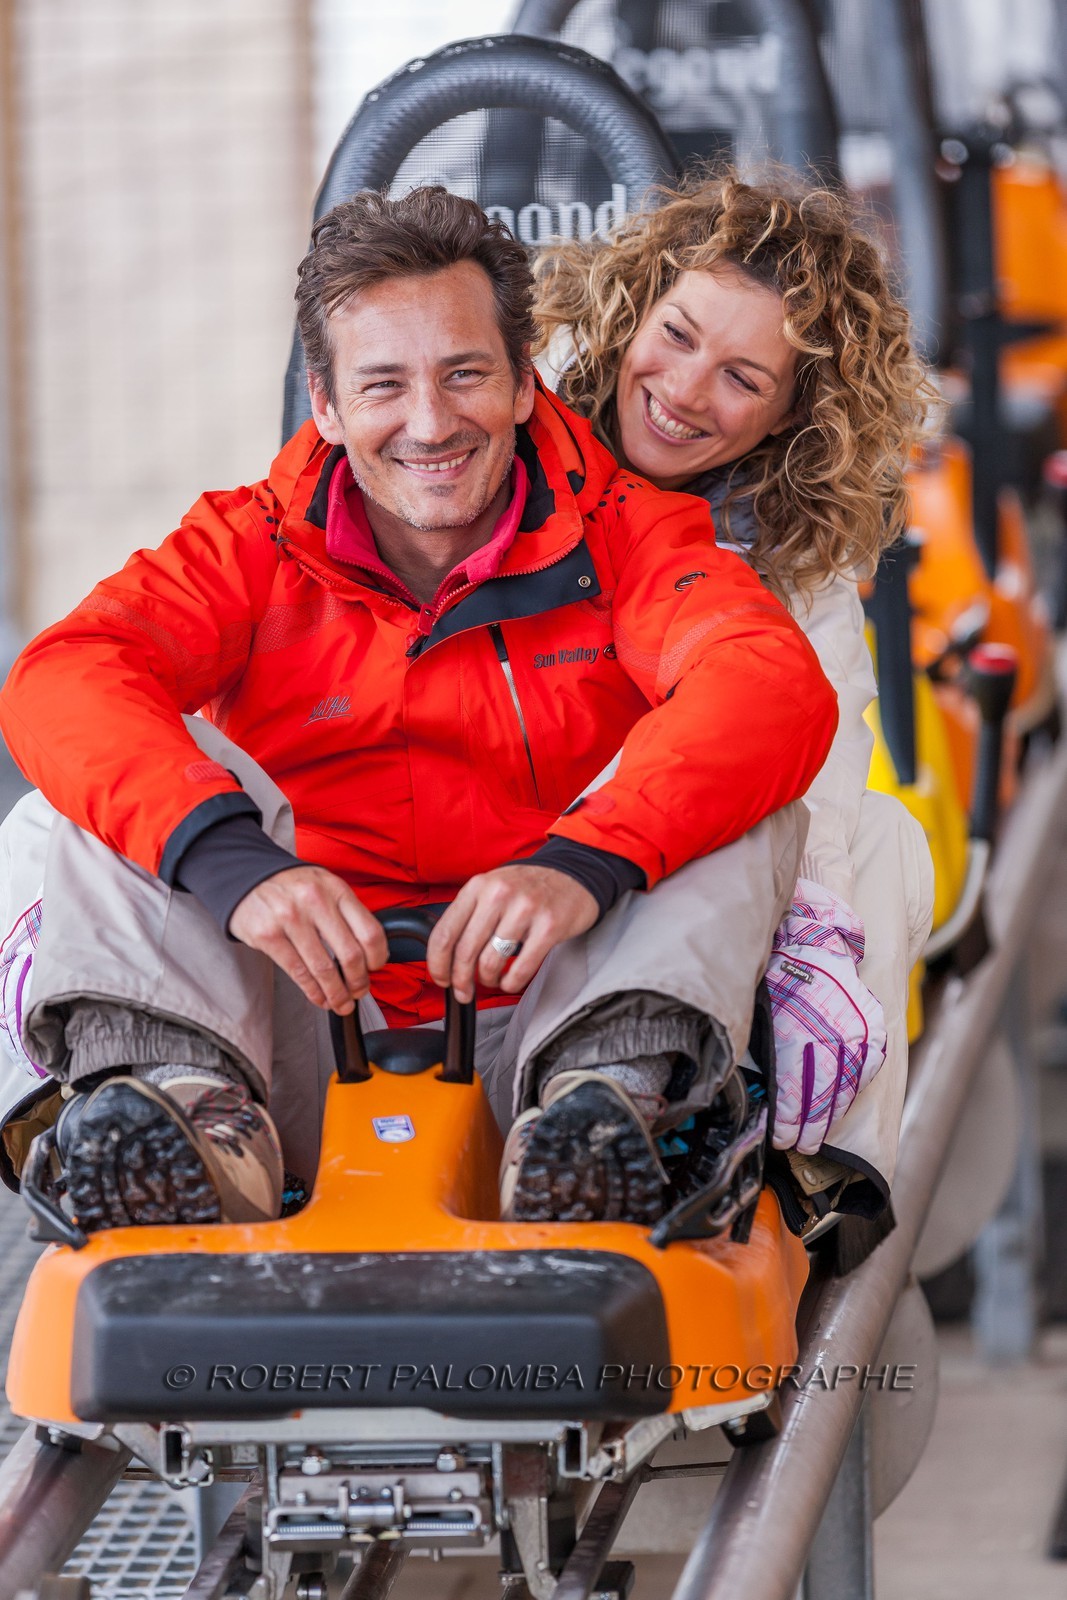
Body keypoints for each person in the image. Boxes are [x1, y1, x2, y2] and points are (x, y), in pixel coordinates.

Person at [0, 185, 837, 1234]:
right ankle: (175, 1117)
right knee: (109, 779)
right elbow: (65, 673)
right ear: (327, 403)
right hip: (289, 1050)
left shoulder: (634, 536)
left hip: (546, 1037)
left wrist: (584, 860)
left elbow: (766, 686)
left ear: (525, 384)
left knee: (725, 787)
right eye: (384, 384)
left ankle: (615, 1116)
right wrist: (231, 865)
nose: (431, 422)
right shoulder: (246, 544)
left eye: (464, 375)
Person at [533, 167, 936, 1220]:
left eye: (741, 379)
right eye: (675, 334)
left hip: (654, 880)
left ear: (791, 419)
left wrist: (816, 944)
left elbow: (822, 786)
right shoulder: (509, 455)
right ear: (630, 311)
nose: (683, 389)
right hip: (512, 849)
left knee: (878, 848)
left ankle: (806, 1192)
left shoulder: (792, 575)